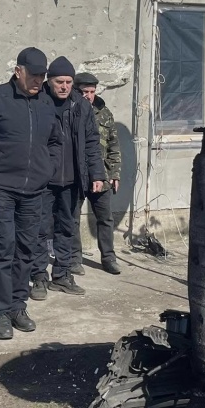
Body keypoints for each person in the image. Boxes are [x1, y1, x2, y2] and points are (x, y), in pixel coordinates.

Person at [0, 47, 60, 340]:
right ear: (18, 71)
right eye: (33, 75)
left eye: (42, 76)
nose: (38, 81)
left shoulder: (46, 102)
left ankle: (19, 306)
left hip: (34, 192)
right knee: (4, 249)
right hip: (1, 190)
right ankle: (2, 311)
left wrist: (48, 168)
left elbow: (55, 141)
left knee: (27, 250)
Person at [30, 56, 105, 300]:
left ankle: (61, 276)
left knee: (67, 228)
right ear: (49, 81)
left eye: (68, 82)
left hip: (73, 180)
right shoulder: (37, 102)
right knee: (39, 230)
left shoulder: (81, 106)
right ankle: (38, 277)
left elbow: (92, 142)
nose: (64, 86)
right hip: (43, 181)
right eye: (59, 81)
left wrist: (96, 174)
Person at [71, 72, 122, 275]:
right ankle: (75, 258)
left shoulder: (104, 112)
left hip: (101, 175)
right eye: (85, 92)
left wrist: (115, 173)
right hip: (76, 175)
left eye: (92, 92)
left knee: (105, 218)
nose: (89, 96)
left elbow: (113, 143)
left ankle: (108, 257)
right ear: (77, 91)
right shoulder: (70, 110)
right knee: (72, 218)